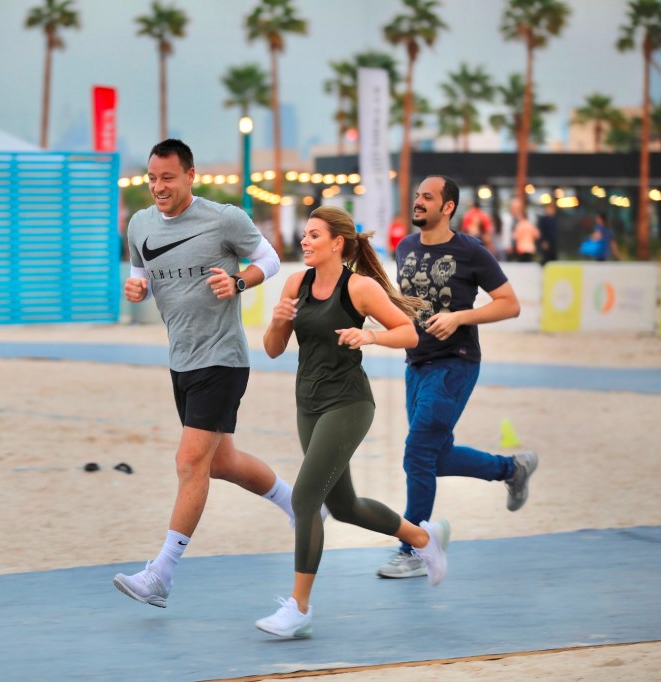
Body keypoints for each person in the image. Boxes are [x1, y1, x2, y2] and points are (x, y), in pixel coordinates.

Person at [114, 138, 298, 608]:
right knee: (221, 463)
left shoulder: (224, 219)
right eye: (152, 178)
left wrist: (238, 281)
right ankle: (298, 505)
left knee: (189, 462)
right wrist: (137, 289)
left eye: (168, 178)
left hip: (223, 358)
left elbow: (270, 259)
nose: (158, 187)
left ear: (190, 176)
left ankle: (162, 573)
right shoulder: (140, 224)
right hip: (181, 359)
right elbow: (141, 273)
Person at [255, 206, 449, 639]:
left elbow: (408, 332)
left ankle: (299, 608)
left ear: (337, 243)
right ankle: (423, 539)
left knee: (306, 500)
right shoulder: (296, 284)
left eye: (314, 235)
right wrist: (278, 322)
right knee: (344, 506)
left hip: (349, 403)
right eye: (305, 234)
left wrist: (370, 335)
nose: (304, 241)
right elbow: (272, 348)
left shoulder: (359, 287)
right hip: (308, 403)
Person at [378, 175, 539, 580]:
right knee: (435, 456)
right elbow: (407, 303)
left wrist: (460, 317)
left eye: (427, 197)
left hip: (456, 362)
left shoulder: (470, 250)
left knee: (417, 453)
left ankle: (415, 549)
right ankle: (512, 469)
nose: (418, 202)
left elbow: (510, 304)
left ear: (447, 207)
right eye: (417, 196)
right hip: (416, 364)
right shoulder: (405, 247)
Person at [511, 198, 540, 263]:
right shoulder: (530, 224)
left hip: (521, 248)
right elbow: (537, 235)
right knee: (529, 265)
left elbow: (515, 237)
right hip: (530, 248)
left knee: (522, 266)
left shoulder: (519, 225)